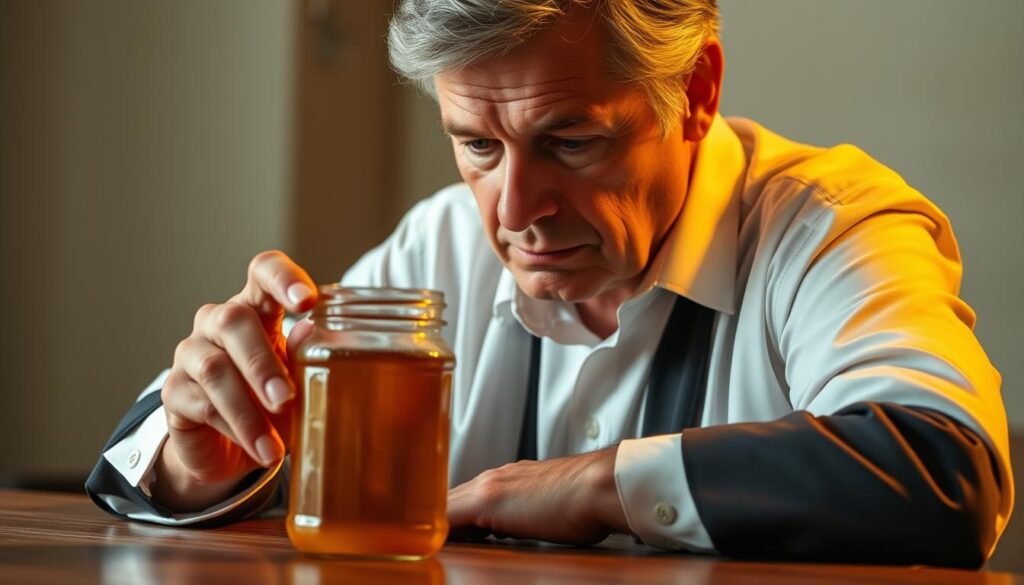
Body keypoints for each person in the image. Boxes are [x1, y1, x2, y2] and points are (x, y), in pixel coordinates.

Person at [86, 0, 1013, 566]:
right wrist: (193, 459)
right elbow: (137, 460)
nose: (514, 210)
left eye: (571, 141)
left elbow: (947, 469)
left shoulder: (831, 228)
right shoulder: (441, 244)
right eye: (476, 146)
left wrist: (602, 487)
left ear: (694, 92)